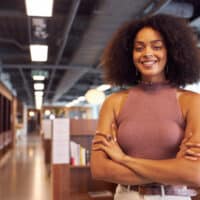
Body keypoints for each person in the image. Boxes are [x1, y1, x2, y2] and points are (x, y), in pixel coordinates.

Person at [90, 14, 200, 200]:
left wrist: (124, 160)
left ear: (171, 52)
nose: (147, 53)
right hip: (127, 196)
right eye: (139, 48)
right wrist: (172, 170)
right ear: (129, 54)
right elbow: (99, 169)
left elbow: (194, 174)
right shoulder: (114, 102)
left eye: (157, 47)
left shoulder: (192, 102)